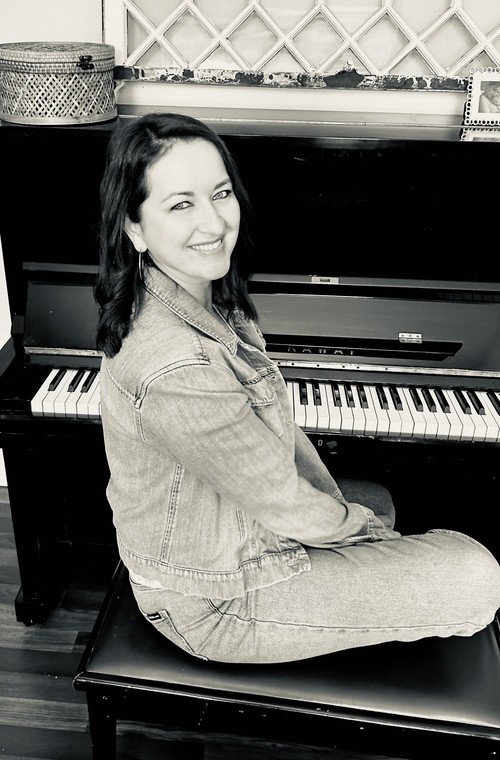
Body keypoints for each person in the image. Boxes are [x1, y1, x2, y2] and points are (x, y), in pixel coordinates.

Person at [95, 111, 500, 664]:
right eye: (181, 205)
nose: (213, 223)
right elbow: (282, 503)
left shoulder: (191, 295)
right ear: (135, 227)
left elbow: (270, 457)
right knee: (479, 574)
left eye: (221, 194)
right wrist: (369, 537)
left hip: (225, 544)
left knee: (378, 501)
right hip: (215, 603)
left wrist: (357, 528)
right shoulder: (176, 365)